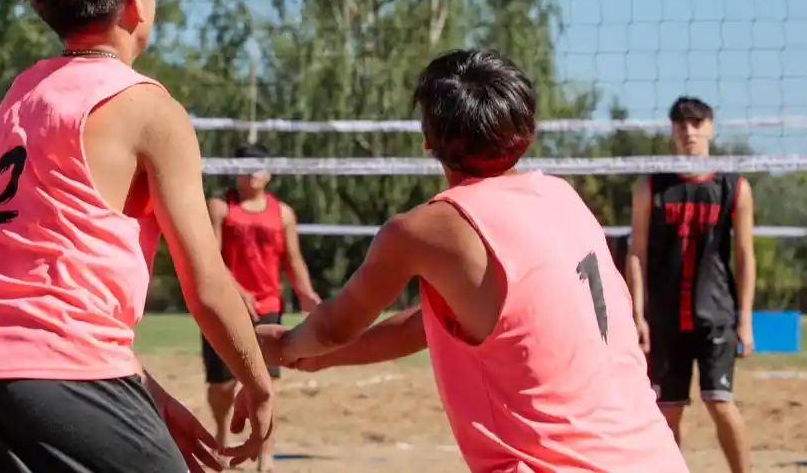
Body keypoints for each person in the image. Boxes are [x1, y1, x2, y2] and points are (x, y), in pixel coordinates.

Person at [0, 0, 275, 473]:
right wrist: (257, 383)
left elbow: (34, 286)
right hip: (67, 374)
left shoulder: (18, 98)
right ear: (137, 2)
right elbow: (205, 284)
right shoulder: (148, 108)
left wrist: (145, 394)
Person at [256, 48, 687, 472]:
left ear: (428, 138)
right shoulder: (561, 195)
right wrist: (318, 357)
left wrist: (278, 347)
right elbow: (423, 325)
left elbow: (333, 328)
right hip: (657, 458)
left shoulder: (425, 229)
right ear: (526, 129)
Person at [625, 95, 756, 473]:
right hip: (665, 316)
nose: (689, 132)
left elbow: (746, 255)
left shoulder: (734, 187)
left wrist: (745, 318)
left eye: (697, 124)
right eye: (682, 125)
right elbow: (637, 253)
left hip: (715, 313)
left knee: (720, 402)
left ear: (711, 127)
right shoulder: (651, 187)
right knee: (666, 414)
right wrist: (638, 314)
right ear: (672, 131)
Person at [204, 142, 321, 471]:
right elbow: (210, 257)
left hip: (268, 307)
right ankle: (221, 438)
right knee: (221, 384)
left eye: (259, 165)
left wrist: (308, 295)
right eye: (246, 165)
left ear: (269, 172)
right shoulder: (220, 206)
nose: (253, 172)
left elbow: (293, 261)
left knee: (265, 384)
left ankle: (265, 455)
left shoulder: (282, 212)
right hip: (224, 305)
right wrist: (236, 289)